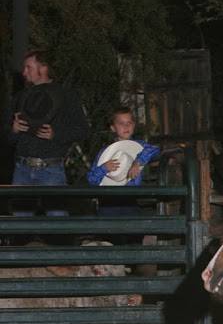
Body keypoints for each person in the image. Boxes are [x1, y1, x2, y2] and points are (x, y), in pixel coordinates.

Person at [1, 50, 88, 217]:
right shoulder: (19, 98)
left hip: (51, 169)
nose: (24, 72)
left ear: (43, 68)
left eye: (28, 67)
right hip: (22, 169)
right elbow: (7, 138)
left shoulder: (66, 96)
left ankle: (61, 243)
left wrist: (56, 134)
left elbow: (82, 130)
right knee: (20, 222)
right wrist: (14, 129)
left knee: (57, 220)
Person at [87, 108, 160, 193]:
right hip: (110, 197)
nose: (126, 126)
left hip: (134, 196)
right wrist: (104, 168)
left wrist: (138, 162)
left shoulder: (140, 145)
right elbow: (91, 180)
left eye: (129, 123)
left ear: (134, 125)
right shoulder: (105, 152)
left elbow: (154, 149)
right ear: (113, 128)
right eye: (121, 123)